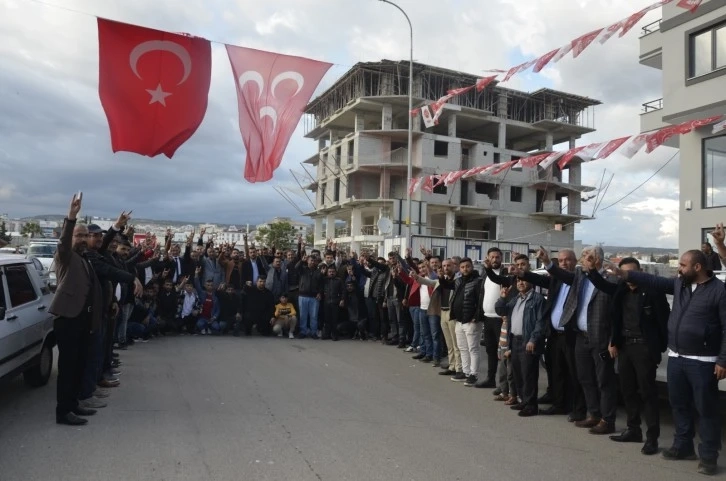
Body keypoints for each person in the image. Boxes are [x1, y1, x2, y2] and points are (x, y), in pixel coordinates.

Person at [609, 249, 726, 476]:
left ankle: (709, 456)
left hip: (703, 361)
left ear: (697, 267)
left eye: (682, 265)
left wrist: (722, 359)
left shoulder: (719, 291)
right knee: (679, 405)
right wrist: (625, 275)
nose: (678, 269)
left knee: (706, 409)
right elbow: (653, 280)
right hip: (676, 357)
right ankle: (683, 447)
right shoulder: (680, 285)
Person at [49, 193, 141, 426]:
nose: (81, 239)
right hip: (68, 319)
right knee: (68, 369)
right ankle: (63, 412)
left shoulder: (86, 257)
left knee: (79, 365)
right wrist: (71, 218)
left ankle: (74, 404)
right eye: (79, 235)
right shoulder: (66, 256)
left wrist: (116, 227)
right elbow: (64, 241)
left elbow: (101, 249)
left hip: (83, 320)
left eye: (83, 236)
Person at [583, 255, 670, 455]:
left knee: (648, 394)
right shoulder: (620, 290)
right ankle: (633, 430)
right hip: (625, 348)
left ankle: (652, 438)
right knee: (628, 391)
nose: (627, 275)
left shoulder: (653, 292)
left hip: (644, 348)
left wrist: (657, 348)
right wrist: (592, 270)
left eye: (631, 271)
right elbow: (604, 287)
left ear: (639, 272)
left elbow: (664, 321)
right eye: (624, 272)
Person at [495, 279, 545, 417]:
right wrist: (502, 298)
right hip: (514, 340)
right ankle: (524, 400)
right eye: (518, 281)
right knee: (518, 374)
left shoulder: (537, 299)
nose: (520, 283)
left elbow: (541, 322)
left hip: (527, 341)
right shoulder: (516, 298)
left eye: (524, 280)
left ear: (531, 282)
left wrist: (533, 339)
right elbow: (501, 311)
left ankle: (531, 405)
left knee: (528, 374)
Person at [438, 258, 483, 385]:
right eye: (462, 267)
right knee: (463, 348)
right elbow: (446, 285)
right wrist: (441, 278)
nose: (465, 269)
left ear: (472, 267)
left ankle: (473, 375)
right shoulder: (458, 281)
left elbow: (481, 300)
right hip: (459, 320)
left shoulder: (478, 281)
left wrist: (477, 315)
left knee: (473, 349)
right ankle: (465, 372)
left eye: (467, 266)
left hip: (471, 321)